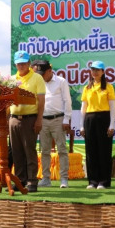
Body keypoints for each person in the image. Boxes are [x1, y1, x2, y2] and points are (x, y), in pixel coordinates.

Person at [9, 50, 46, 192]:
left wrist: (39, 120)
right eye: (19, 64)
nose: (21, 66)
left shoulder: (37, 78)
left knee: (29, 151)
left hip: (30, 119)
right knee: (16, 152)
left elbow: (41, 101)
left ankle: (32, 181)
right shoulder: (11, 79)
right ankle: (19, 181)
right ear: (15, 65)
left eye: (24, 63)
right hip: (13, 119)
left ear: (29, 63)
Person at [35, 60, 72, 188]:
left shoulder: (61, 81)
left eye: (43, 73)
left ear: (50, 71)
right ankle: (46, 178)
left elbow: (67, 100)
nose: (41, 76)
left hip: (58, 119)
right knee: (44, 151)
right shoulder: (39, 82)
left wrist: (66, 119)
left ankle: (64, 179)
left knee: (62, 150)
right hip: (43, 120)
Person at [80, 61, 115, 190]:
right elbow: (83, 107)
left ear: (103, 72)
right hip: (90, 119)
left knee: (104, 150)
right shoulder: (87, 87)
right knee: (91, 151)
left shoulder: (108, 87)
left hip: (104, 118)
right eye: (93, 70)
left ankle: (104, 181)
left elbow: (112, 107)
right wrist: (81, 125)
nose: (95, 72)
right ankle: (93, 181)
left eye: (97, 70)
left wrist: (112, 125)